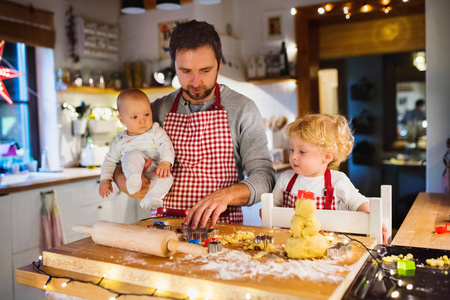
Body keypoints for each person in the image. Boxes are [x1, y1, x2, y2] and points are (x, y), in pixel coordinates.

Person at [114, 20, 276, 229]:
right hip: (163, 229)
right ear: (174, 66)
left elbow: (265, 177)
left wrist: (226, 195)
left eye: (205, 70)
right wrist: (122, 180)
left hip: (221, 231)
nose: (196, 82)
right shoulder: (156, 110)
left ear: (219, 63)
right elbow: (118, 156)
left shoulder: (243, 109)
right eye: (186, 71)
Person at [272, 114, 369, 212]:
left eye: (302, 152)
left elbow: (356, 201)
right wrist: (266, 211)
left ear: (327, 156)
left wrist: (372, 218)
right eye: (292, 150)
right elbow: (272, 205)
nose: (293, 156)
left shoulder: (337, 181)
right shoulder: (285, 180)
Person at [99, 89, 174, 210]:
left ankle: (154, 197)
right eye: (134, 117)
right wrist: (105, 179)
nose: (143, 120)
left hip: (156, 169)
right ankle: (134, 177)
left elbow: (166, 145)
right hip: (133, 169)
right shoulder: (120, 140)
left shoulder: (155, 130)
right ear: (122, 120)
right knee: (131, 155)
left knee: (167, 178)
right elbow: (109, 161)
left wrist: (165, 162)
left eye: (147, 114)